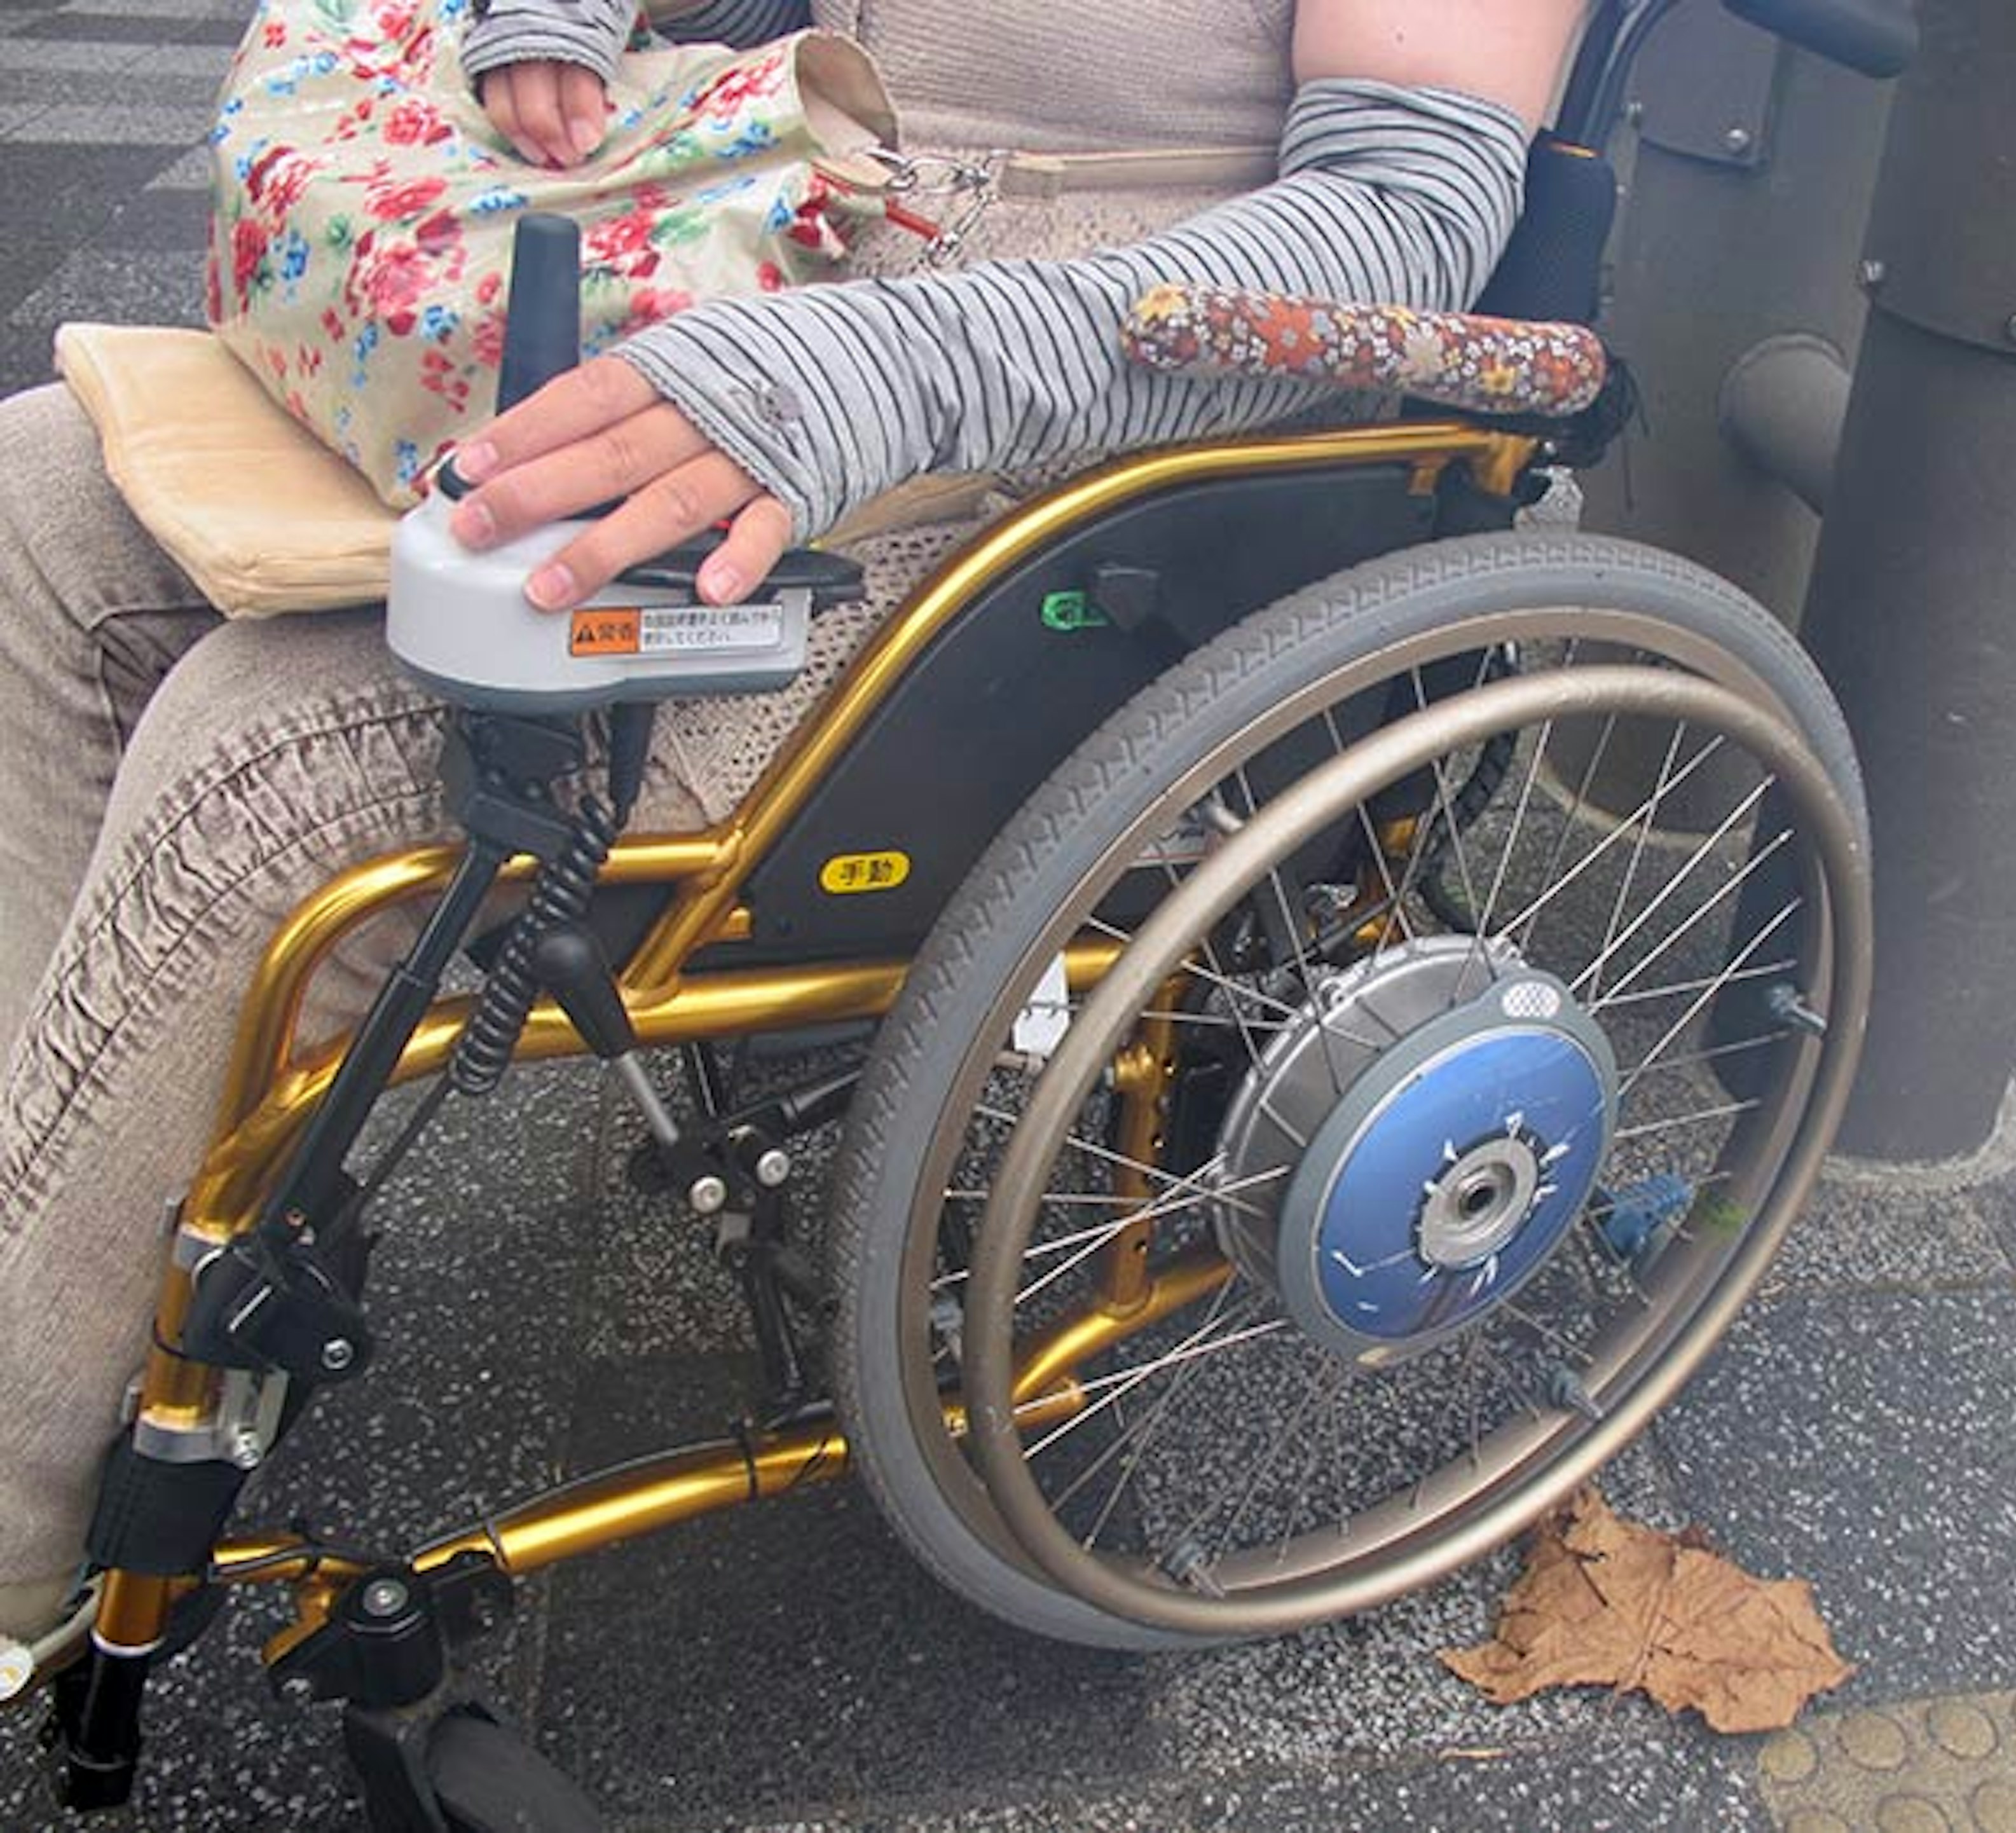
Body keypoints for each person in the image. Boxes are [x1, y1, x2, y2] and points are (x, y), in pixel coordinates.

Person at [0, 0, 1584, 1642]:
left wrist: (867, 369)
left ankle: (17, 1519)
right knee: (40, 508)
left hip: (1071, 478)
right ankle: (74, 1234)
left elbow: (1401, 237)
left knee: (264, 773)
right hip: (784, 271)